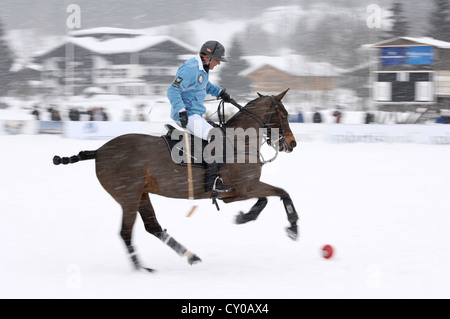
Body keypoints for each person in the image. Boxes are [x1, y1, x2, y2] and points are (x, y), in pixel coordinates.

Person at [167, 40, 232, 193]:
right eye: (217, 60)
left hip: (195, 114)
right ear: (208, 57)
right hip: (186, 115)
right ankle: (212, 182)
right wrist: (181, 111)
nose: (219, 64)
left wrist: (220, 92)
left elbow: (205, 85)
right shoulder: (190, 69)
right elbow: (172, 91)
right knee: (215, 136)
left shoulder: (202, 69)